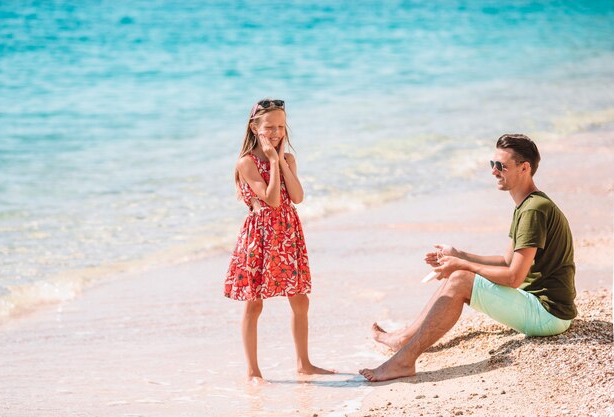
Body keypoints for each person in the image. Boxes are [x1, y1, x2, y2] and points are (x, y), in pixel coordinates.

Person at [359, 133, 576, 382]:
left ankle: (404, 361)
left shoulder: (533, 210)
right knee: (460, 274)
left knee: (461, 278)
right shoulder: (528, 205)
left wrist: (462, 265)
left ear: (524, 168)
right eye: (492, 164)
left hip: (548, 314)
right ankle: (404, 339)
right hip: (543, 307)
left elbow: (514, 277)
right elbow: (507, 262)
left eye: (501, 166)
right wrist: (459, 255)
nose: (494, 172)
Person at [224, 98, 334, 383]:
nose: (276, 133)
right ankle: (253, 371)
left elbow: (296, 197)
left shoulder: (289, 159)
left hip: (287, 233)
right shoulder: (246, 163)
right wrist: (272, 161)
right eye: (270, 127)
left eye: (281, 127)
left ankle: (304, 363)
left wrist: (282, 162)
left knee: (300, 300)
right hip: (259, 237)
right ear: (254, 128)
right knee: (254, 304)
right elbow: (271, 200)